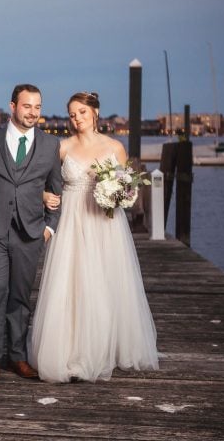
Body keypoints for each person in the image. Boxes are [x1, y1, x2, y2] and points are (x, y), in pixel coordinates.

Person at [29, 91, 159, 383]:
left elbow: (127, 189)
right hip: (72, 222)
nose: (77, 119)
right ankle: (73, 351)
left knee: (106, 281)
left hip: (105, 224)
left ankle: (105, 348)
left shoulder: (116, 148)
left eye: (82, 113)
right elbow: (36, 181)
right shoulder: (61, 148)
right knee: (72, 283)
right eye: (72, 114)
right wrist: (44, 195)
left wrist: (117, 196)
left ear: (96, 113)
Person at [0, 83, 63, 382]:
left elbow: (55, 191)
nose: (33, 112)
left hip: (30, 233)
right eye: (27, 106)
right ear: (13, 106)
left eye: (37, 107)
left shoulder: (50, 145)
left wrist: (49, 227)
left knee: (20, 297)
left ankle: (17, 357)